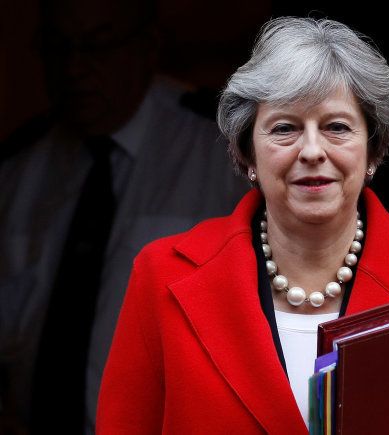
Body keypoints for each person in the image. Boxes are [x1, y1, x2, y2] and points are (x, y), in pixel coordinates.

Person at [96, 17, 389, 434]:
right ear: (248, 153)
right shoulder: (162, 275)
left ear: (375, 150)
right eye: (285, 128)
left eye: (336, 127)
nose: (312, 150)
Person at [0, 0, 248, 433]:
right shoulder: (18, 170)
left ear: (147, 46)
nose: (75, 67)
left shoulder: (225, 154)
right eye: (59, 46)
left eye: (98, 45)